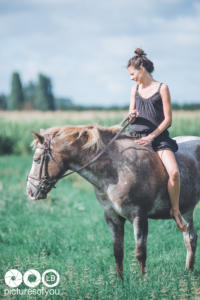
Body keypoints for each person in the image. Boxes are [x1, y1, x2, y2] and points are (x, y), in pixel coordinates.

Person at [127, 48, 187, 232]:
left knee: (174, 173)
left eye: (132, 73)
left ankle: (175, 210)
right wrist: (131, 115)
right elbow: (130, 115)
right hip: (136, 138)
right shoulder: (134, 89)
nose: (131, 78)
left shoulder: (163, 88)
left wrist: (152, 137)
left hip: (158, 139)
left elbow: (168, 119)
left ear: (142, 69)